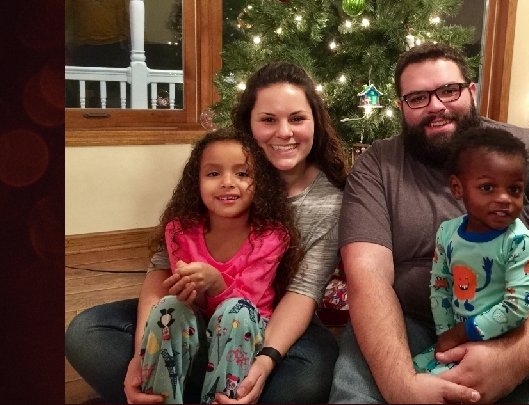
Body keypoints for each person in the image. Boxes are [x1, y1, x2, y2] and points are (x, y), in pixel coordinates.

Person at [330, 43, 529, 404]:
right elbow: (366, 276)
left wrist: (511, 363)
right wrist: (402, 388)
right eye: (417, 98)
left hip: (525, 330)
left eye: (449, 90)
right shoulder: (376, 166)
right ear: (401, 107)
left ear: (471, 91)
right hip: (407, 326)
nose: (436, 106)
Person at [65, 62, 348, 403]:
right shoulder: (216, 181)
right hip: (189, 317)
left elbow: (303, 292)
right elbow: (162, 269)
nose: (284, 132)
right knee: (86, 333)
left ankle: (204, 385)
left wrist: (264, 362)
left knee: (308, 378)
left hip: (275, 324)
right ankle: (181, 384)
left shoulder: (329, 202)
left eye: (297, 118)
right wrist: (144, 353)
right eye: (268, 119)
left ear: (315, 122)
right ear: (248, 124)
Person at [137, 128, 301, 403]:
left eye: (242, 174)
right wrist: (194, 291)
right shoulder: (179, 231)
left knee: (237, 312)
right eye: (213, 174)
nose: (227, 183)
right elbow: (185, 300)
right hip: (195, 329)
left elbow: (247, 301)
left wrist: (215, 282)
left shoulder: (272, 237)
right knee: (168, 307)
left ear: (260, 182)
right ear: (196, 182)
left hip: (245, 334)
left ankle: (224, 398)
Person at [412, 125, 529, 376]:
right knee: (414, 371)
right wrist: (446, 334)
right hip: (459, 335)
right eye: (488, 188)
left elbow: (517, 308)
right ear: (458, 188)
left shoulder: (519, 242)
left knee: (442, 382)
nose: (504, 199)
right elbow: (440, 285)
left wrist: (460, 334)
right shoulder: (447, 233)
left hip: (505, 342)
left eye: (514, 190)